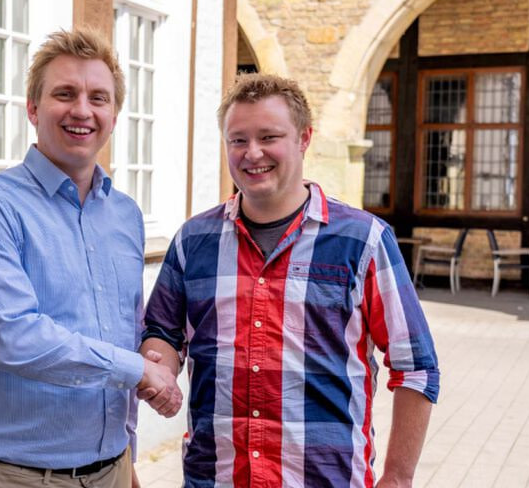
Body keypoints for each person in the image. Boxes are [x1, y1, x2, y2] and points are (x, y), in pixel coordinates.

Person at [141, 73, 439, 487]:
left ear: (304, 139)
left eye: (269, 137)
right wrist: (159, 368)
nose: (252, 153)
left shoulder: (363, 241)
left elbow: (416, 366)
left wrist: (398, 478)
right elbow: (162, 332)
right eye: (238, 140)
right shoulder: (193, 241)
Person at [0, 28, 181, 488]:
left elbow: (120, 333)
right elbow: (11, 338)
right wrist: (138, 371)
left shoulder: (126, 215)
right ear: (33, 109)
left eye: (99, 98)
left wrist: (126, 451)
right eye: (65, 94)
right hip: (17, 476)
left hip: (112, 469)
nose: (82, 110)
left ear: (114, 116)